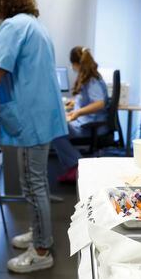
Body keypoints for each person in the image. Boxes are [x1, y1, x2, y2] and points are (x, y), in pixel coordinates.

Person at [0, 0, 67, 273]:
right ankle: (38, 232)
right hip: (40, 115)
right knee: (34, 182)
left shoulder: (14, 26)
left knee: (34, 184)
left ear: (0, 5)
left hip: (31, 119)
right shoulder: (36, 26)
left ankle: (41, 250)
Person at [52, 46, 109, 183]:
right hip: (85, 123)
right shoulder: (89, 78)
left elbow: (99, 103)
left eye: (72, 64)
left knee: (55, 131)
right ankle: (73, 166)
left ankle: (78, 165)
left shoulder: (92, 80)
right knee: (57, 129)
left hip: (90, 126)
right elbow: (86, 99)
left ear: (76, 64)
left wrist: (77, 112)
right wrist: (73, 104)